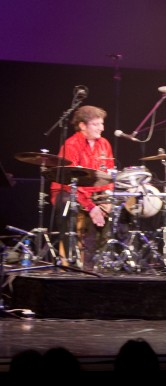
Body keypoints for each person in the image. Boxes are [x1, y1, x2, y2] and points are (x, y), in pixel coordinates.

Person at [50, 105, 115, 271]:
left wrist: (107, 198)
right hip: (68, 191)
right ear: (82, 126)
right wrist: (91, 207)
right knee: (67, 203)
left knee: (119, 208)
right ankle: (69, 261)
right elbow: (71, 183)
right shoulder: (71, 145)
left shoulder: (105, 144)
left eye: (102, 123)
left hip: (94, 193)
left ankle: (95, 263)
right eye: (96, 124)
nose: (102, 128)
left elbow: (109, 174)